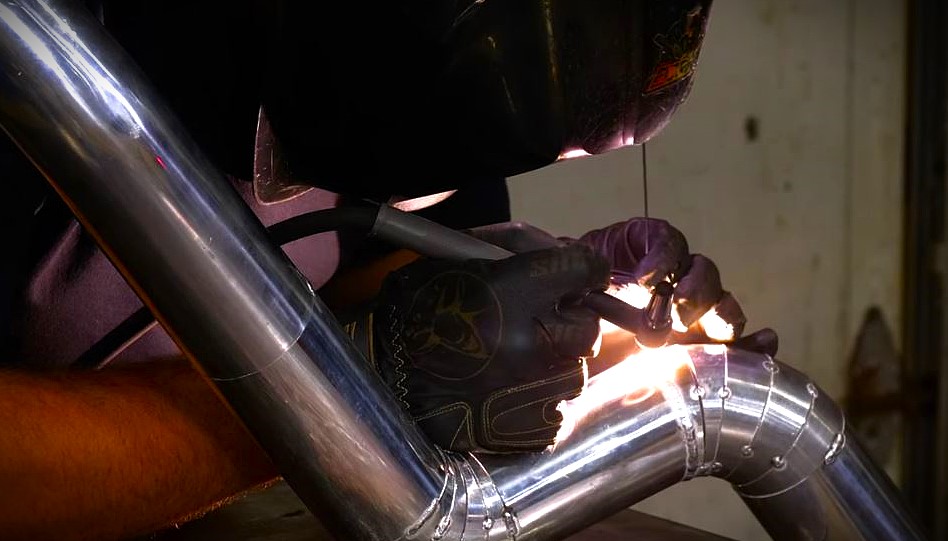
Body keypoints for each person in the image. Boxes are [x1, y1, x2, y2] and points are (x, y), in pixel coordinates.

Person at [0, 1, 775, 539]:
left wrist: (572, 302)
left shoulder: (440, 106)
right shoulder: (44, 53)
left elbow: (403, 289)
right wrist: (335, 403)